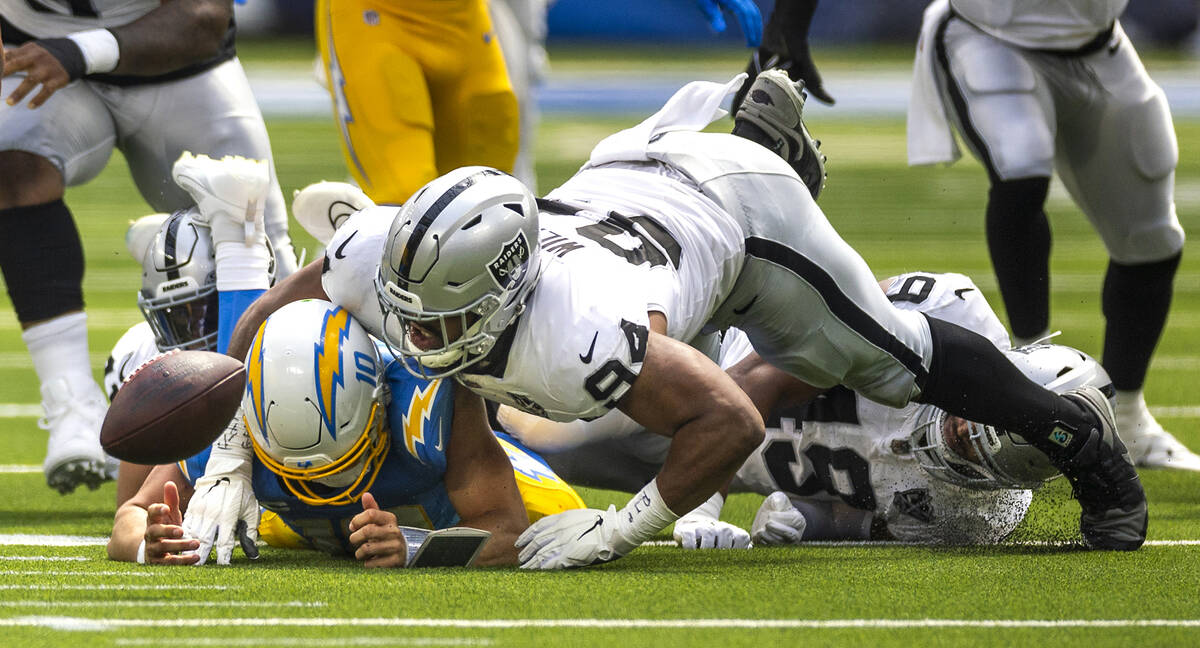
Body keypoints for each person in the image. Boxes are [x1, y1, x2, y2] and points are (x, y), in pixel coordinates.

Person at [227, 71, 1146, 569]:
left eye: (438, 324)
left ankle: (1088, 451)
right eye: (407, 315)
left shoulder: (575, 336)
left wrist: (625, 530)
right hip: (625, 184)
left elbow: (731, 416)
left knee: (891, 360)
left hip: (737, 220)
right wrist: (232, 439)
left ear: (505, 292)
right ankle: (752, 132)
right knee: (598, 414)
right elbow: (272, 314)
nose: (411, 338)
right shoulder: (380, 257)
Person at [501, 272, 1112, 546]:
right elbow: (781, 366)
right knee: (537, 419)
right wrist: (700, 492)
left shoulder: (984, 516)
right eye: (973, 429)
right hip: (707, 371)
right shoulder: (954, 314)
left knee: (538, 483)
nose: (956, 441)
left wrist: (800, 522)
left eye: (978, 458)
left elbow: (854, 520)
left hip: (710, 460)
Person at [0, 0, 299, 494]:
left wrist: (78, 50)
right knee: (11, 167)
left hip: (179, 68)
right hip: (34, 55)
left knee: (257, 243)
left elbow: (204, 17)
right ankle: (72, 403)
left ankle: (292, 427)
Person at [907, 0, 1196, 470]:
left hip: (1098, 43)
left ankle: (1127, 417)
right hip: (989, 34)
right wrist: (790, 26)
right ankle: (1033, 391)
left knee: (1152, 236)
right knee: (1022, 161)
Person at [107, 297, 583, 566]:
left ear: (380, 409)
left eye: (341, 463)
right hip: (294, 525)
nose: (323, 484)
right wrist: (151, 542)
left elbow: (509, 528)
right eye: (299, 472)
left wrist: (418, 545)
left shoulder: (427, 404)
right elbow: (127, 518)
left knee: (562, 521)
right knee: (171, 473)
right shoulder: (234, 421)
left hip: (443, 512)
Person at [315, 0, 762, 203]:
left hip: (462, 18)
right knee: (401, 199)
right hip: (375, 17)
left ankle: (482, 377)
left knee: (492, 202)